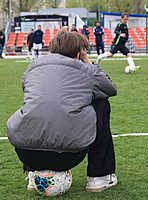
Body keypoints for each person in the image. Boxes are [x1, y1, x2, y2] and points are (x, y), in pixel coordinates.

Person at [6, 31, 118, 194]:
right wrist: (88, 62)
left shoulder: (33, 67)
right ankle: (99, 177)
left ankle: (32, 174)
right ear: (80, 52)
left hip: (26, 153)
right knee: (101, 103)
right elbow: (110, 89)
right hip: (68, 155)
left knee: (36, 103)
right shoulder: (87, 70)